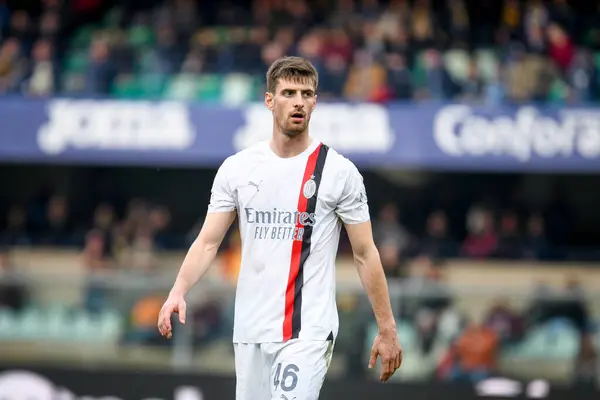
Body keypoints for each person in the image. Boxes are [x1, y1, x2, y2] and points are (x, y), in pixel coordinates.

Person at [157, 56, 402, 399]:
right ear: (269, 100)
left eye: (307, 93)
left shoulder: (339, 172)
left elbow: (365, 253)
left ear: (315, 101)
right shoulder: (237, 169)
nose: (299, 101)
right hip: (250, 329)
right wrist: (178, 290)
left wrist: (387, 327)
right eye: (288, 92)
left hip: (307, 333)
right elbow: (208, 243)